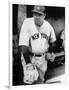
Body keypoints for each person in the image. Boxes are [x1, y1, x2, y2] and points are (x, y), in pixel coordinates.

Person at [19, 5, 56, 84]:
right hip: (29, 57)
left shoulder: (48, 26)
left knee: (41, 81)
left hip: (42, 58)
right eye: (35, 14)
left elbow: (52, 40)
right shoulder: (27, 23)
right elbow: (23, 46)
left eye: (39, 14)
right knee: (29, 81)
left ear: (44, 15)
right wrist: (28, 64)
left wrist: (51, 52)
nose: (37, 17)